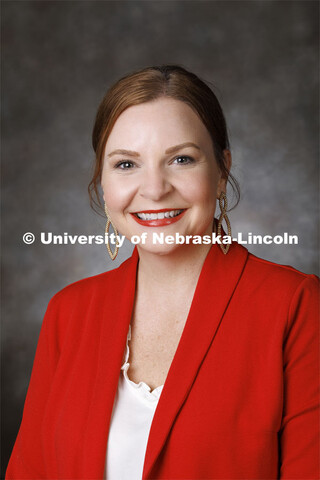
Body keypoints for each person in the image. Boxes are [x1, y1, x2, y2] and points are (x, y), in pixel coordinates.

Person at [6, 65, 319, 480]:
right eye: (125, 164)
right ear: (103, 182)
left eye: (181, 159)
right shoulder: (69, 312)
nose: (154, 189)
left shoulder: (294, 304)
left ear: (222, 171)